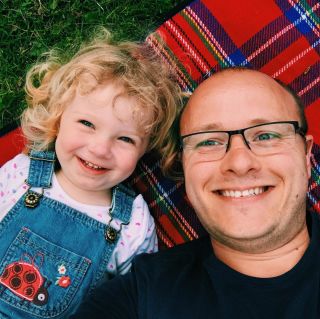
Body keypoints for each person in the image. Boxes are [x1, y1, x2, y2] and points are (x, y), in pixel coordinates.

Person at [71, 67, 318, 319]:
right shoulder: (140, 295)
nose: (240, 162)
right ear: (184, 168)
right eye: (208, 141)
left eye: (266, 135)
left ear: (306, 156)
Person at [0, 29, 182, 319]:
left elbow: (133, 300)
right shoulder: (20, 173)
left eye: (125, 139)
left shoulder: (132, 222)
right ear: (58, 119)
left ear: (145, 150)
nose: (99, 149)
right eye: (86, 123)